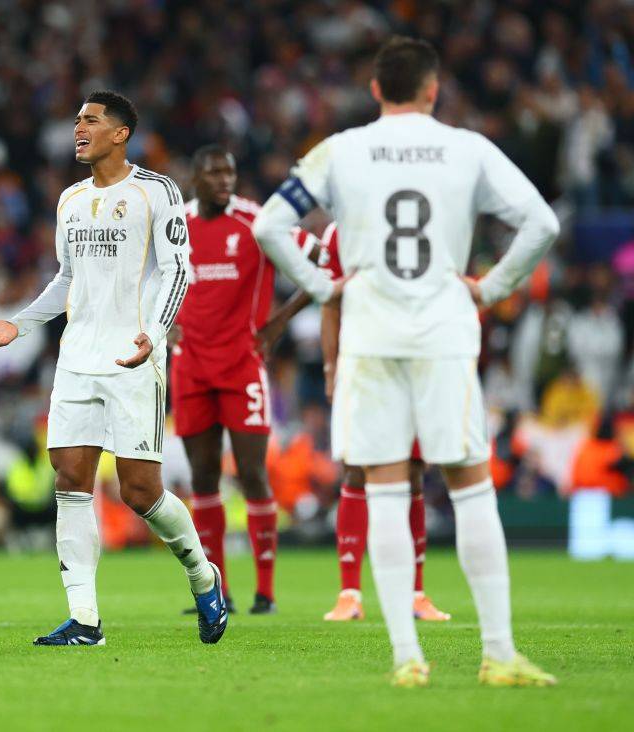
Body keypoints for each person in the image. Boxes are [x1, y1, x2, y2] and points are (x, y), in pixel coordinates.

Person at [252, 36, 559, 687]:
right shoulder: (466, 148)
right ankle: (499, 655)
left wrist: (326, 286)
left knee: (386, 489)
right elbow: (542, 224)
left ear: (374, 90)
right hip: (444, 329)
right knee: (471, 487)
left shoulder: (342, 149)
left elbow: (268, 226)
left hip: (369, 332)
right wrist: (492, 288)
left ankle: (406, 658)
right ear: (432, 89)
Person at [0, 91, 227, 646]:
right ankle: (85, 619)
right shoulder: (70, 199)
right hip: (78, 359)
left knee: (140, 492)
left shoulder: (157, 191)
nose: (78, 128)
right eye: (76, 120)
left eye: (91, 120)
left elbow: (179, 270)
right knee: (70, 478)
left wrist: (155, 333)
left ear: (121, 133)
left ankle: (203, 574)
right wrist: (18, 325)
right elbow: (66, 279)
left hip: (133, 355)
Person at [172, 145, 312, 615]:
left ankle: (266, 592)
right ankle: (219, 590)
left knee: (252, 473)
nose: (224, 180)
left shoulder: (258, 221)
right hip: (190, 366)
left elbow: (320, 258)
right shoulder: (175, 224)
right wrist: (163, 323)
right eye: (214, 173)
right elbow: (146, 277)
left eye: (229, 172)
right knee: (203, 477)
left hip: (241, 366)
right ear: (195, 178)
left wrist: (280, 321)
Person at [300, 223, 450, 623]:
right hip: (360, 367)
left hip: (413, 365)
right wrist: (331, 367)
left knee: (413, 472)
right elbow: (330, 303)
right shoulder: (340, 231)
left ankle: (416, 594)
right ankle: (349, 594)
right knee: (355, 469)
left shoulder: (421, 221)